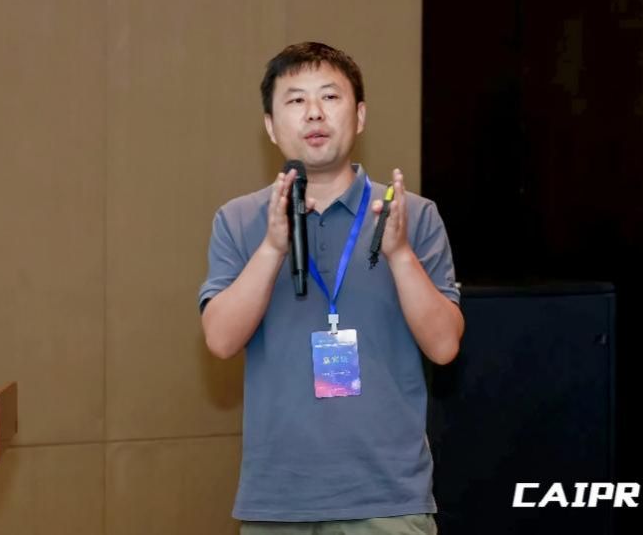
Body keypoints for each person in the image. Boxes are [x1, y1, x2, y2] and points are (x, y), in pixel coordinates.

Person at [199, 42, 464, 534]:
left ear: (359, 116)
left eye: (330, 96)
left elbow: (445, 346)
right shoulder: (239, 219)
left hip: (388, 500)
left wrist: (400, 254)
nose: (314, 113)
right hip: (277, 501)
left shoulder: (411, 215)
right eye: (296, 100)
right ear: (270, 126)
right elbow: (220, 340)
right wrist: (271, 249)